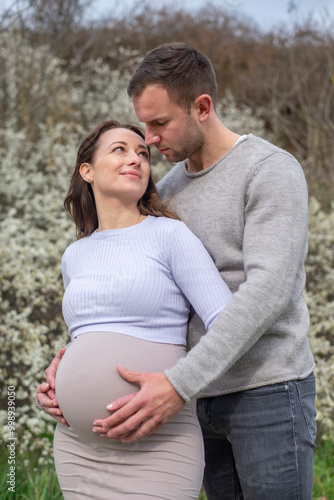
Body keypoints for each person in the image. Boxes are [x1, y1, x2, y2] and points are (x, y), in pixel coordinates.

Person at [37, 44, 317, 500]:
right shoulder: (166, 191)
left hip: (264, 389)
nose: (147, 140)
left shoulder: (269, 171)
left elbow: (267, 292)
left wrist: (177, 383)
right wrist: (69, 365)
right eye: (142, 124)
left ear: (201, 107)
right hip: (194, 398)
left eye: (159, 123)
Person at [41, 119, 233, 499]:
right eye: (120, 150)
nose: (136, 159)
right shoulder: (75, 254)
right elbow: (87, 336)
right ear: (88, 171)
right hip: (79, 448)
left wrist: (178, 386)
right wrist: (55, 382)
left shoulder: (169, 234)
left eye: (143, 154)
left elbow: (228, 323)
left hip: (158, 441)